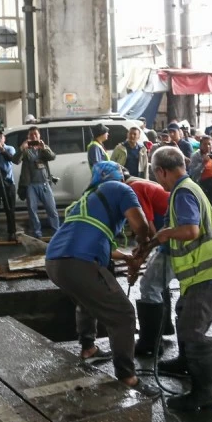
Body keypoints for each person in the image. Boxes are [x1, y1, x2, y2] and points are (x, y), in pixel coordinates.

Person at [135, 146, 212, 412]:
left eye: (157, 174)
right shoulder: (188, 186)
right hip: (203, 272)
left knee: (193, 328)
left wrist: (167, 233)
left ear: (161, 171)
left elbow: (191, 230)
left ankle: (205, 394)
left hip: (211, 272)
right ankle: (185, 361)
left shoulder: (182, 192)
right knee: (183, 313)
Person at [45, 162, 158, 398]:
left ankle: (89, 348)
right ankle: (127, 377)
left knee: (87, 301)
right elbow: (140, 226)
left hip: (55, 262)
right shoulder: (121, 189)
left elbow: (89, 236)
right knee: (123, 315)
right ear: (120, 176)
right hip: (79, 262)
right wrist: (144, 242)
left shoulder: (85, 200)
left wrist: (125, 256)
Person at [126, 173, 174, 359]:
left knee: (150, 285)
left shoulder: (133, 189)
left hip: (171, 235)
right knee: (160, 281)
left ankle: (150, 344)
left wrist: (140, 258)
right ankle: (164, 328)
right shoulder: (139, 183)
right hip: (170, 232)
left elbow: (148, 227)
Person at [17, 126, 59, 238]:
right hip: (31, 185)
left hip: (44, 183)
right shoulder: (26, 150)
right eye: (31, 135)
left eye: (35, 134)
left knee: (52, 210)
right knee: (32, 211)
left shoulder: (42, 149)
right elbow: (15, 160)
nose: (33, 136)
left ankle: (56, 233)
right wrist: (22, 148)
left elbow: (52, 157)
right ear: (28, 137)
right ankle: (37, 234)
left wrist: (44, 147)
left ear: (39, 135)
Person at [187, 136, 212, 224]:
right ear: (200, 145)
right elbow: (193, 173)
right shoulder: (196, 156)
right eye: (205, 144)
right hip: (201, 186)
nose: (207, 146)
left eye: (209, 144)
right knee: (203, 210)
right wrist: (203, 163)